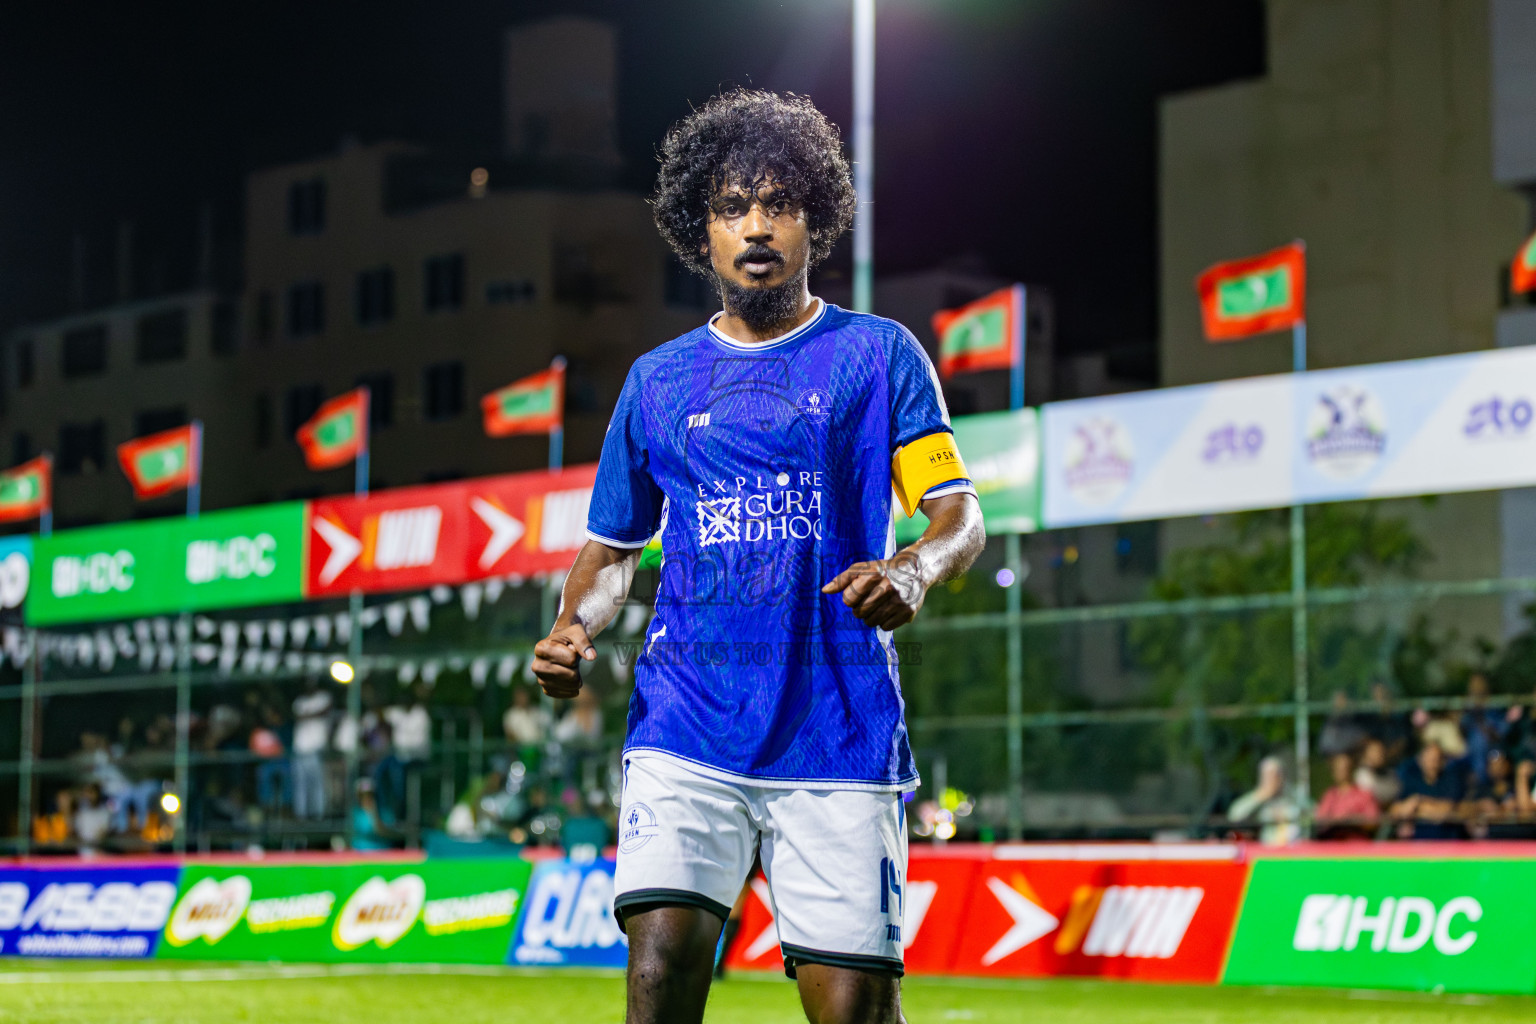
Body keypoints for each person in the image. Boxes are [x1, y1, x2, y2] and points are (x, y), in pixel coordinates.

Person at [531, 89, 984, 1024]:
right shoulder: (656, 381)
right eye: (732, 206)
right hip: (686, 725)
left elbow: (960, 517)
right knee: (658, 979)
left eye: (779, 204)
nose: (756, 226)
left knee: (854, 1012)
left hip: (838, 731)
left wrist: (913, 568)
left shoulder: (879, 356)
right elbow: (613, 551)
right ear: (700, 231)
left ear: (816, 220)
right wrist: (575, 625)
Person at [1391, 741, 1467, 840]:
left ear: (1442, 761)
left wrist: (1418, 803)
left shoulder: (1451, 780)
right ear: (1420, 760)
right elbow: (1396, 810)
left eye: (1436, 759)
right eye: (1429, 759)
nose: (1433, 763)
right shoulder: (1411, 780)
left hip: (1448, 841)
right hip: (1419, 842)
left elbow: (1447, 810)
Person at [1227, 755, 1302, 845]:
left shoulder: (1293, 796)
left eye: (1276, 774)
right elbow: (1234, 816)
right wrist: (1260, 796)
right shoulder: (1257, 798)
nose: (1272, 779)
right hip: (1266, 849)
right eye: (1268, 775)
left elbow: (1311, 814)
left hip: (1294, 848)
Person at [290, 676, 333, 821]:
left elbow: (324, 711)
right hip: (300, 749)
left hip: (317, 748)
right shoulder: (299, 701)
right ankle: (301, 815)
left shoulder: (324, 697)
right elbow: (296, 716)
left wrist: (307, 715)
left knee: (318, 784)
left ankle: (318, 815)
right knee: (301, 783)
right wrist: (311, 715)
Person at [1314, 751, 1379, 840]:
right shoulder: (1329, 795)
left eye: (1344, 769)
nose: (1341, 773)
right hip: (1332, 842)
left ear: (1351, 770)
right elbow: (1320, 820)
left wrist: (1353, 820)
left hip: (1357, 842)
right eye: (1337, 769)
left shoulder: (1364, 795)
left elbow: (1373, 822)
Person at [1353, 737, 1401, 809]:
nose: (1380, 754)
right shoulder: (1362, 775)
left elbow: (1397, 791)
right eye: (1376, 751)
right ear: (1366, 754)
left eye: (1382, 750)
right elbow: (1371, 798)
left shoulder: (1390, 773)